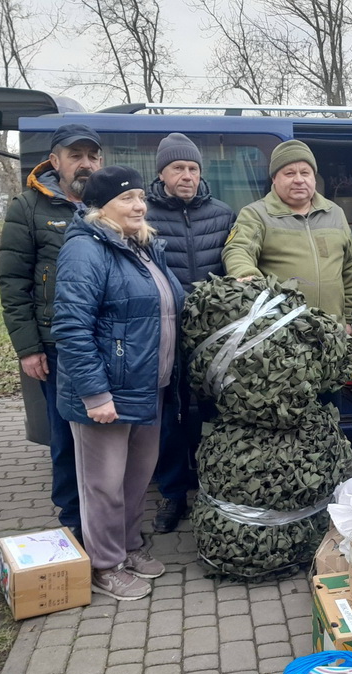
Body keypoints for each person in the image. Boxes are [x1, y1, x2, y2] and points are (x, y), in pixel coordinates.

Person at [53, 166, 185, 601]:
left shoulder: (141, 247)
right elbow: (71, 327)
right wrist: (95, 394)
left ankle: (127, 546)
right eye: (127, 198)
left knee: (135, 478)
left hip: (148, 385)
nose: (139, 205)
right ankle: (105, 564)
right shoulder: (86, 249)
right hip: (107, 392)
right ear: (101, 207)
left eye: (141, 197)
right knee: (103, 485)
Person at [0, 123, 103, 544]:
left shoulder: (109, 204)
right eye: (76, 156)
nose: (85, 164)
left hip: (107, 344)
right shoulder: (28, 208)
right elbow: (13, 283)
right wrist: (28, 348)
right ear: (55, 161)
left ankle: (104, 515)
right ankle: (73, 518)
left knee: (105, 436)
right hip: (59, 346)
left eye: (92, 156)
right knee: (65, 435)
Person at [146, 133, 236, 533]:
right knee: (170, 416)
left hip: (214, 337)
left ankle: (218, 483)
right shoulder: (144, 214)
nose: (187, 175)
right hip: (164, 334)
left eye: (193, 168)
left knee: (216, 411)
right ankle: (174, 493)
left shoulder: (222, 214)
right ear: (162, 173)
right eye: (178, 168)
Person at [222, 139, 352, 328]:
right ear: (274, 178)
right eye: (289, 173)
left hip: (333, 329)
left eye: (305, 173)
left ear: (314, 177)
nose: (299, 180)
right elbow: (238, 249)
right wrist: (246, 274)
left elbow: (350, 266)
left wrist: (348, 318)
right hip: (283, 333)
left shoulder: (334, 213)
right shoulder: (256, 214)